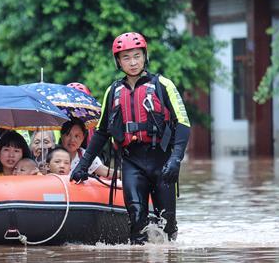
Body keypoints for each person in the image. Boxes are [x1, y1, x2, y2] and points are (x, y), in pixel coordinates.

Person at [70, 32, 190, 244]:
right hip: (132, 161)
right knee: (136, 217)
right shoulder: (113, 90)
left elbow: (183, 123)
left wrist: (176, 159)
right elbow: (101, 133)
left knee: (167, 221)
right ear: (118, 61)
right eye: (126, 58)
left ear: (145, 56)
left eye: (137, 56)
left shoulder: (163, 85)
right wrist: (83, 165)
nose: (133, 62)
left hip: (162, 160)